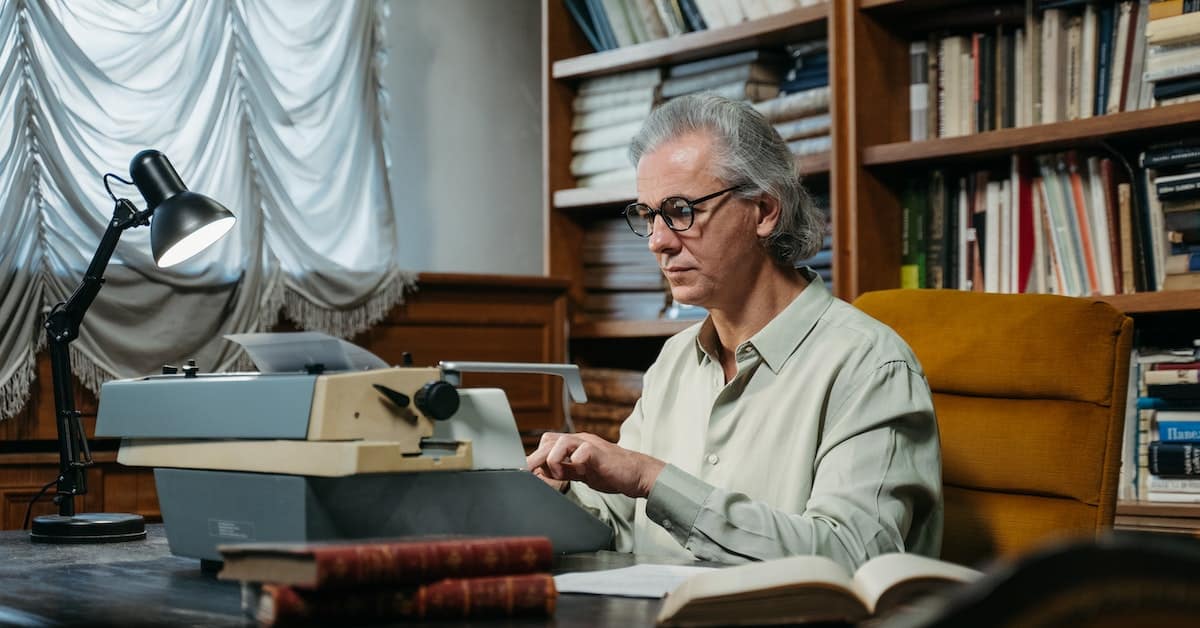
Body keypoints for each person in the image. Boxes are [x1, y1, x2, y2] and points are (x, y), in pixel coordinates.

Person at [527, 93, 942, 570]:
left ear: (764, 211)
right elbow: (625, 526)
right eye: (648, 215)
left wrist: (652, 478)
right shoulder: (674, 359)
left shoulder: (870, 364)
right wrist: (547, 498)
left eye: (681, 210)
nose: (659, 241)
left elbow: (851, 558)